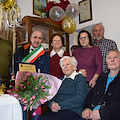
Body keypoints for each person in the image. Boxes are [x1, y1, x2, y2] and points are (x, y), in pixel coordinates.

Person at [10, 30, 50, 120]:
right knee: (20, 111)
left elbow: (46, 73)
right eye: (35, 37)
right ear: (31, 38)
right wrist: (12, 74)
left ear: (42, 40)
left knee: (35, 114)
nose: (37, 40)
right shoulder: (21, 51)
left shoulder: (45, 56)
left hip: (35, 88)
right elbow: (12, 65)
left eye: (40, 38)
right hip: (21, 87)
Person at [82, 50, 120, 120]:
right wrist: (87, 108)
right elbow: (91, 94)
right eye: (109, 58)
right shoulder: (101, 77)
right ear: (106, 62)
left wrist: (103, 113)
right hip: (93, 114)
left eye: (116, 57)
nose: (112, 60)